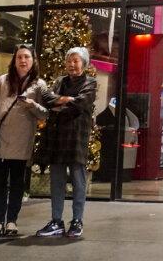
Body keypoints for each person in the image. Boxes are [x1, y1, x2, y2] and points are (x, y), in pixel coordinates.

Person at [0, 44, 48, 237]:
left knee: (17, 184)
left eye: (27, 57)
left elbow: (45, 114)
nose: (23, 60)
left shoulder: (39, 85)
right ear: (14, 60)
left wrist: (32, 104)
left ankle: (11, 221)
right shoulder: (3, 81)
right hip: (0, 142)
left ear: (33, 61)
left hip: (22, 142)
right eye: (19, 57)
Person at [36, 47, 98, 239]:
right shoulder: (59, 81)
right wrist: (67, 100)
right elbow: (47, 99)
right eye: (69, 61)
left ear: (84, 64)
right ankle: (56, 221)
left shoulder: (90, 82)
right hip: (57, 137)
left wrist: (60, 104)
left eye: (76, 61)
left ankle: (77, 221)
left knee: (79, 181)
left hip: (77, 138)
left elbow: (81, 103)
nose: (72, 64)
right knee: (57, 181)